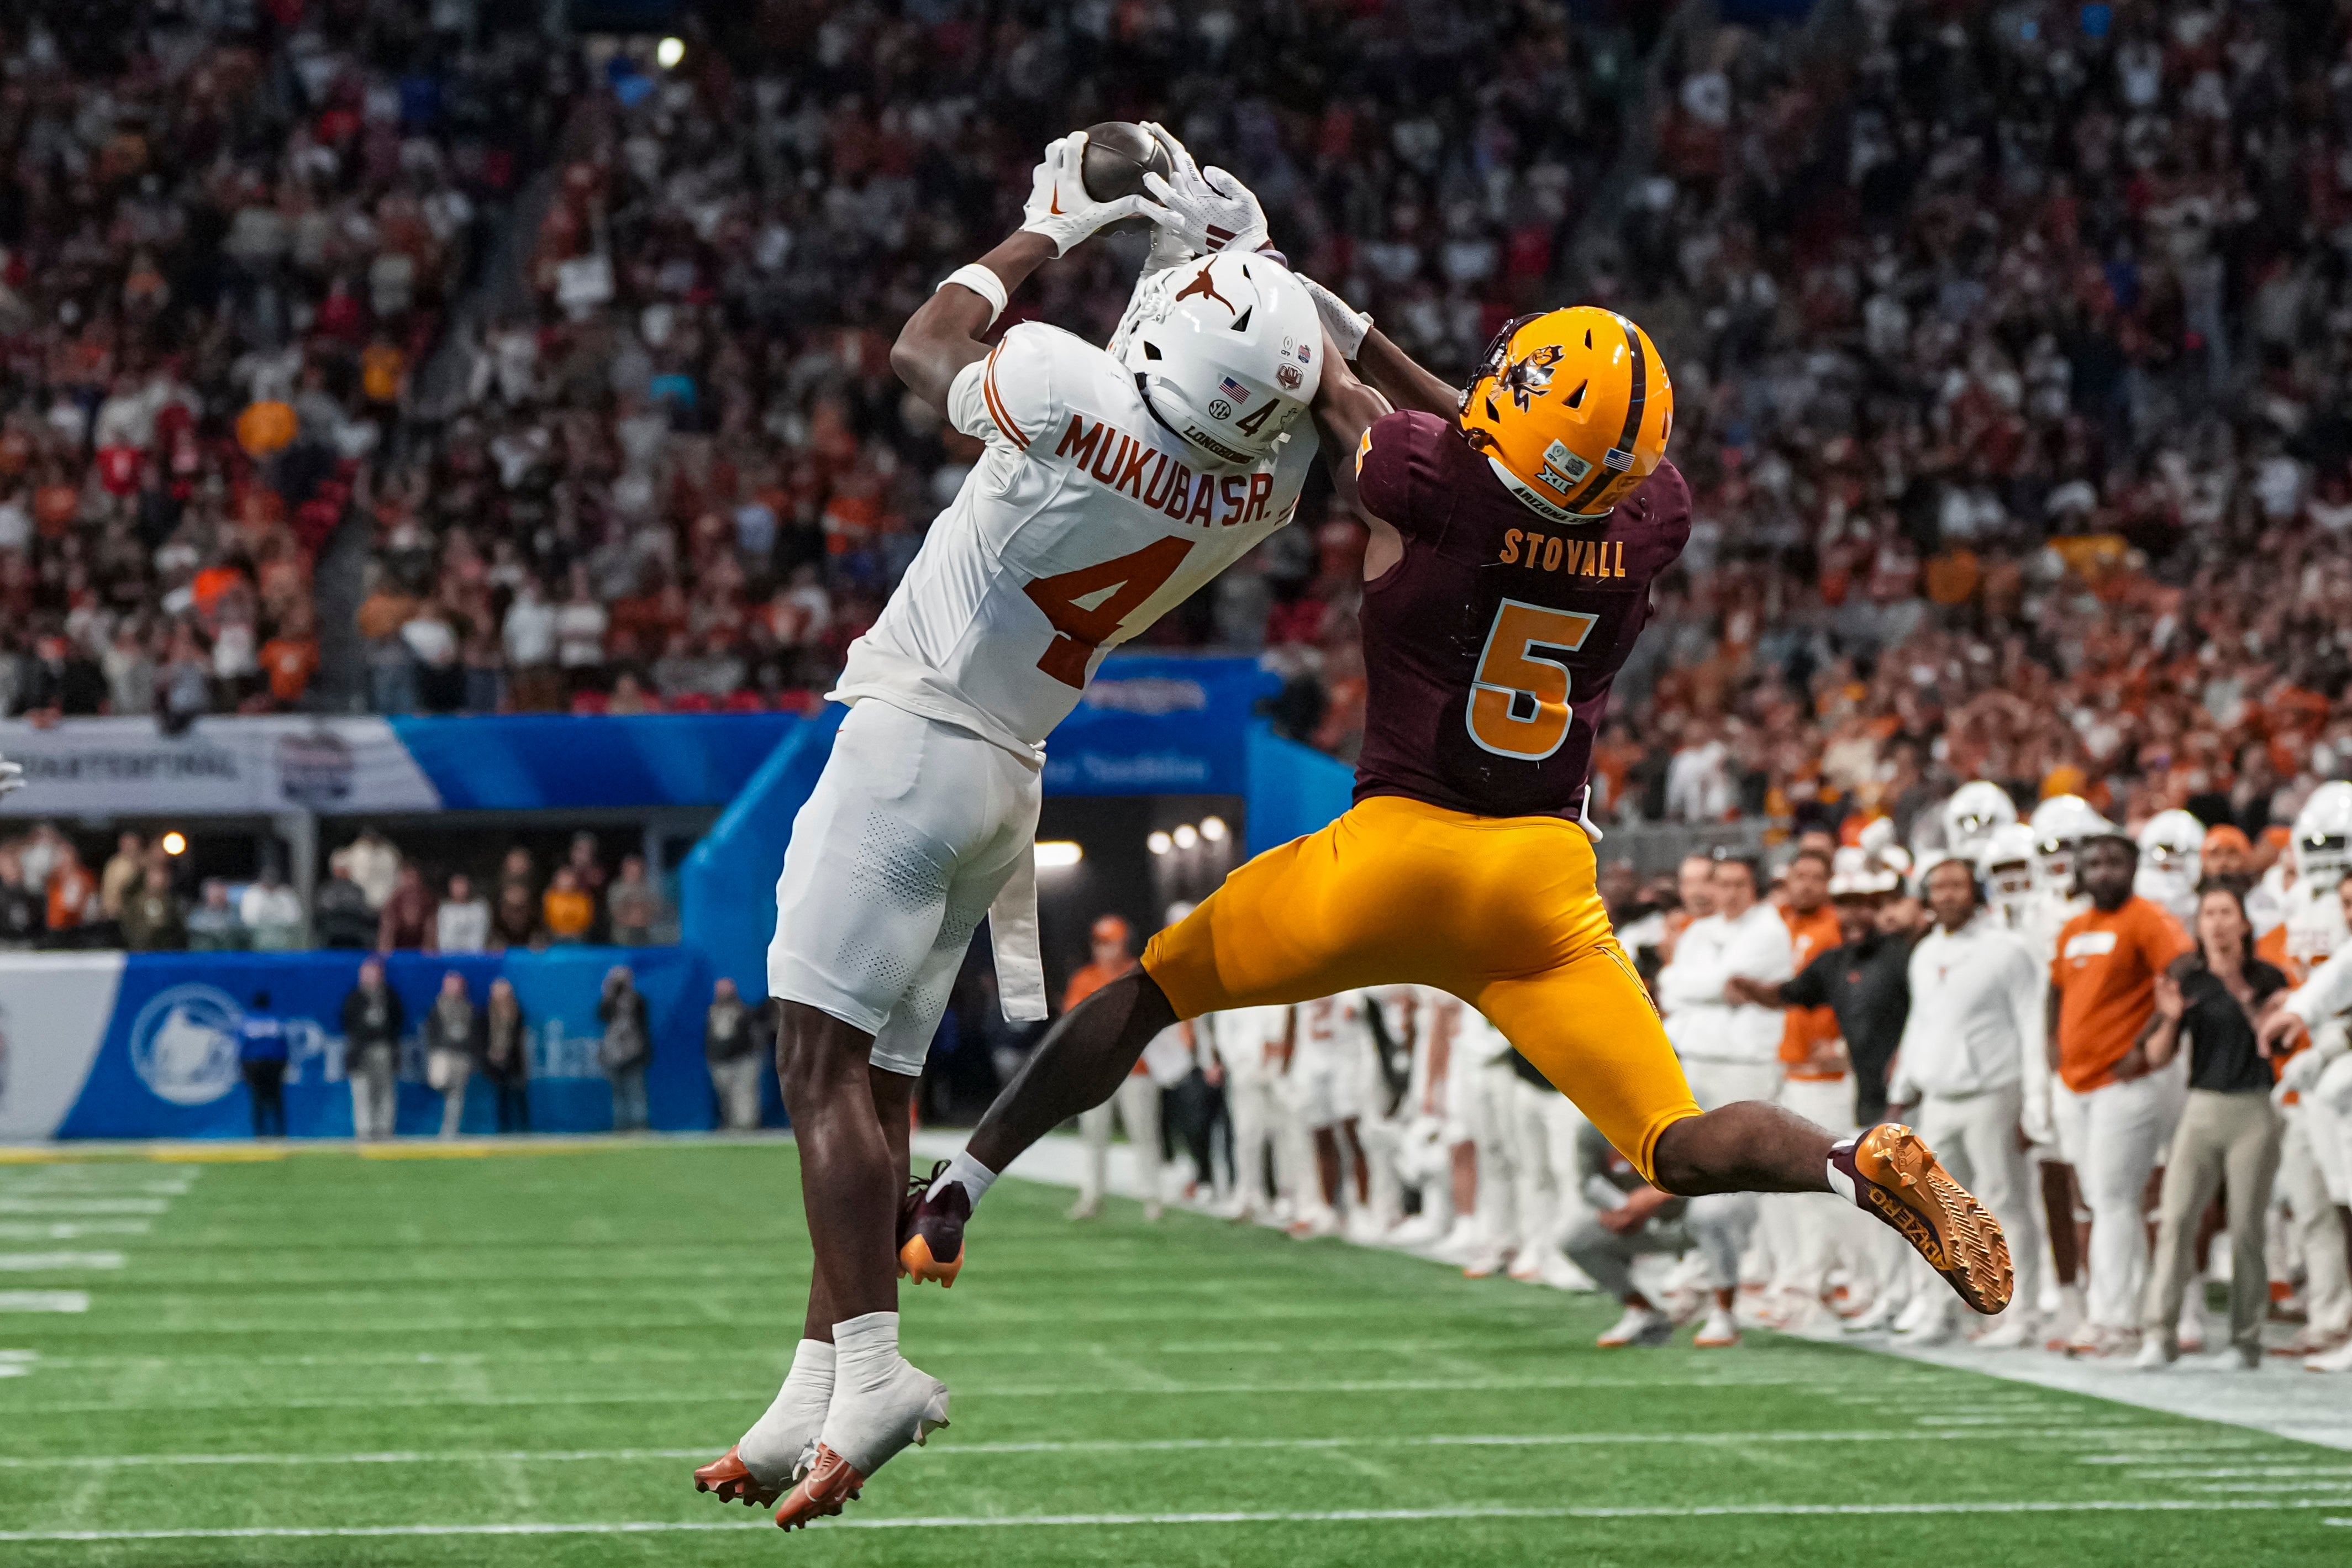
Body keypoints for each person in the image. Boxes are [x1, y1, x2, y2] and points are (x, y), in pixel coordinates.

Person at [901, 256, 2009, 1480]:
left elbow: (1330, 388)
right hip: (1539, 882)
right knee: (1671, 1141)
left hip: (1393, 855)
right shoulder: (1651, 518)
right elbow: (1497, 452)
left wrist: (1294, 294)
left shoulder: (1431, 481)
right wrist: (1363, 338)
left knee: (1148, 992)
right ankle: (1847, 1164)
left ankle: (962, 1186)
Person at [697, 127, 1333, 1531]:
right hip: (1007, 775)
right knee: (875, 1086)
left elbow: (927, 348)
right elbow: (1229, 384)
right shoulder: (1263, 483)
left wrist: (1054, 222)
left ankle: (872, 1367)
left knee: (814, 1067)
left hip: (917, 739)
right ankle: (818, 1378)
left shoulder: (1061, 381)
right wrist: (1234, 257)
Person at [1728, 849, 1922, 1329]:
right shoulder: (1833, 962)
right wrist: (1744, 987)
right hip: (1870, 1096)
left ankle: (1924, 1297)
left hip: (1912, 1094)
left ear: (1880, 906)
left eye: (1864, 903)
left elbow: (1929, 1013)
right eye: (1846, 903)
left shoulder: (1902, 954)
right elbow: (1791, 994)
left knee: (1918, 1202)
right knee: (1884, 1200)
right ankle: (1891, 1294)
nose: (1854, 914)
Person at [1885, 856, 2046, 1348]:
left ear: (1976, 891)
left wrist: (2034, 1104)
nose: (1947, 896)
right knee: (1932, 1208)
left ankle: (2019, 1314)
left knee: (2004, 1206)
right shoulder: (1924, 952)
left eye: (1957, 886)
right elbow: (1921, 1023)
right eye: (1938, 888)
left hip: (1994, 1092)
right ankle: (1940, 1311)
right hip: (1937, 1096)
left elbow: (2031, 1027)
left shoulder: (2008, 951)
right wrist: (1901, 1090)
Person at [2046, 833, 2193, 1356]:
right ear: (2079, 873)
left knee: (2112, 1199)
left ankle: (2114, 1318)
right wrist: (2050, 1045)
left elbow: (2184, 975)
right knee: (2100, 1198)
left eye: (2112, 862)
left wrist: (2144, 1042)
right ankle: (2119, 1311)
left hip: (2124, 1080)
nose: (2102, 872)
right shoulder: (2072, 928)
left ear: (2132, 867)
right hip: (2076, 1081)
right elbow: (2057, 989)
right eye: (2091, 864)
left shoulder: (2146, 918)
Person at [2138, 887, 2287, 1369]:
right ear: (2198, 923)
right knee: (2176, 1219)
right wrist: (2168, 1017)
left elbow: (2276, 1042)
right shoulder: (2188, 978)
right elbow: (2158, 1056)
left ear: (2244, 923)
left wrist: (2239, 989)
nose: (2218, 923)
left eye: (2227, 913)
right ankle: (2158, 1334)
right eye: (2209, 914)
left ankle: (2245, 1341)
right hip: (2201, 1105)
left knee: (2246, 1226)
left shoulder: (2267, 978)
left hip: (2252, 1107)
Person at [1565, 1119, 1754, 1349]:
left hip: (1690, 1207)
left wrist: (1653, 1197)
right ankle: (1643, 1312)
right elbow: (1589, 1183)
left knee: (1711, 1213)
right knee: (1577, 1240)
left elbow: (1709, 1172)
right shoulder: (1592, 1129)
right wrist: (1619, 1207)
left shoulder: (1676, 1115)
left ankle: (1725, 1314)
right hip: (1640, 1218)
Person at [1063, 917, 1162, 1220]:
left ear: (1124, 943)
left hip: (1138, 1067)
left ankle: (1152, 1197)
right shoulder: (1084, 978)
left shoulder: (1140, 973)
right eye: (1099, 943)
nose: (1103, 949)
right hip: (1097, 1069)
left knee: (1144, 1134)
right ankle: (1092, 1195)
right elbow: (1073, 1024)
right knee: (1094, 1134)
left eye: (1110, 942)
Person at [342, 959, 405, 1140]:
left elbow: (397, 1021)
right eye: (367, 973)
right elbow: (348, 1023)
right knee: (362, 1091)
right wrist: (366, 1032)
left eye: (374, 973)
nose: (371, 977)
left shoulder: (389, 996)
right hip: (361, 1051)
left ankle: (385, 1130)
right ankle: (364, 1131)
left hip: (383, 1048)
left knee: (385, 1090)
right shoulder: (354, 997)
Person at [422, 970, 482, 1138]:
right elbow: (430, 1032)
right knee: (439, 1084)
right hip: (442, 1055)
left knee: (457, 1095)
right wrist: (433, 1052)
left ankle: (450, 1131)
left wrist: (472, 1055)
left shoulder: (469, 1008)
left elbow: (475, 1034)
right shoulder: (437, 1006)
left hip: (461, 1055)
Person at [706, 976, 766, 1132]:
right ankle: (731, 1125)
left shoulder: (745, 1011)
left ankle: (746, 1127)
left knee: (744, 1095)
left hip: (743, 1060)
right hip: (720, 1062)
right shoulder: (711, 1012)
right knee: (725, 1096)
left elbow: (754, 1037)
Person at [598, 965, 651, 1132]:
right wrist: (609, 993)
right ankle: (621, 1126)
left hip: (633, 1052)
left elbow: (643, 1023)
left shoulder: (636, 1000)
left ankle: (639, 1126)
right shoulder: (610, 1000)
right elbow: (602, 1015)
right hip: (614, 1054)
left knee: (635, 1091)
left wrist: (645, 1051)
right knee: (618, 1093)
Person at [483, 978, 531, 1134]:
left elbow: (520, 1039)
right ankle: (503, 1130)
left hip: (514, 1061)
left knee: (518, 1095)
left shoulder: (517, 1012)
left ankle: (524, 1130)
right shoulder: (487, 1013)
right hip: (495, 1062)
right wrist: (492, 1055)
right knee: (501, 1096)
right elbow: (483, 1037)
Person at [239, 990, 288, 1138]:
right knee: (276, 1099)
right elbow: (284, 1045)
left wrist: (243, 1068)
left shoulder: (247, 1020)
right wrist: (284, 1065)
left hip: (254, 1063)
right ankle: (279, 1132)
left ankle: (260, 1133)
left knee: (258, 1099)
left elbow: (240, 1046)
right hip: (274, 1063)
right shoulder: (275, 1020)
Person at [119, 863, 186, 951]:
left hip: (168, 955)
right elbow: (129, 930)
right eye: (154, 875)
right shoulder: (135, 905)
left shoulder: (174, 905)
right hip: (141, 955)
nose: (158, 879)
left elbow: (178, 933)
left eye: (162, 874)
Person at [240, 864, 305, 950]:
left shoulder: (287, 894)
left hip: (285, 941)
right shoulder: (252, 894)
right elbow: (249, 920)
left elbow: (295, 919)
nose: (270, 883)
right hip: (258, 941)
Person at [378, 862, 436, 951]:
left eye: (412, 877)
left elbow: (430, 931)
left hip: (420, 952)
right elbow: (387, 932)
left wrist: (428, 957)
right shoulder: (393, 901)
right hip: (396, 951)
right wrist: (385, 955)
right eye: (406, 877)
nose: (410, 882)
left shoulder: (427, 900)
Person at [608, 854, 665, 945]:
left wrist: (643, 914)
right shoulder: (616, 890)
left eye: (638, 870)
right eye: (631, 871)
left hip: (645, 937)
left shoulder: (649, 889)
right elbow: (616, 913)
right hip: (623, 938)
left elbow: (656, 911)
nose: (635, 874)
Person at [436, 874, 491, 953]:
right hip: (449, 959)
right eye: (456, 884)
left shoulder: (480, 908)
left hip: (475, 959)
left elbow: (483, 936)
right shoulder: (444, 909)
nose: (460, 889)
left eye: (462, 884)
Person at [185, 878, 244, 951]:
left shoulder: (235, 913)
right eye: (215, 894)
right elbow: (195, 930)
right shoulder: (198, 915)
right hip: (205, 955)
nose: (219, 896)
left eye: (222, 893)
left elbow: (240, 930)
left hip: (230, 954)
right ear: (207, 895)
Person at [542, 867, 593, 944]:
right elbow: (547, 918)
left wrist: (575, 930)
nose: (567, 882)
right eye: (563, 878)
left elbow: (587, 918)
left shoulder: (583, 898)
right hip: (556, 935)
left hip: (578, 936)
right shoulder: (550, 897)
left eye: (569, 878)